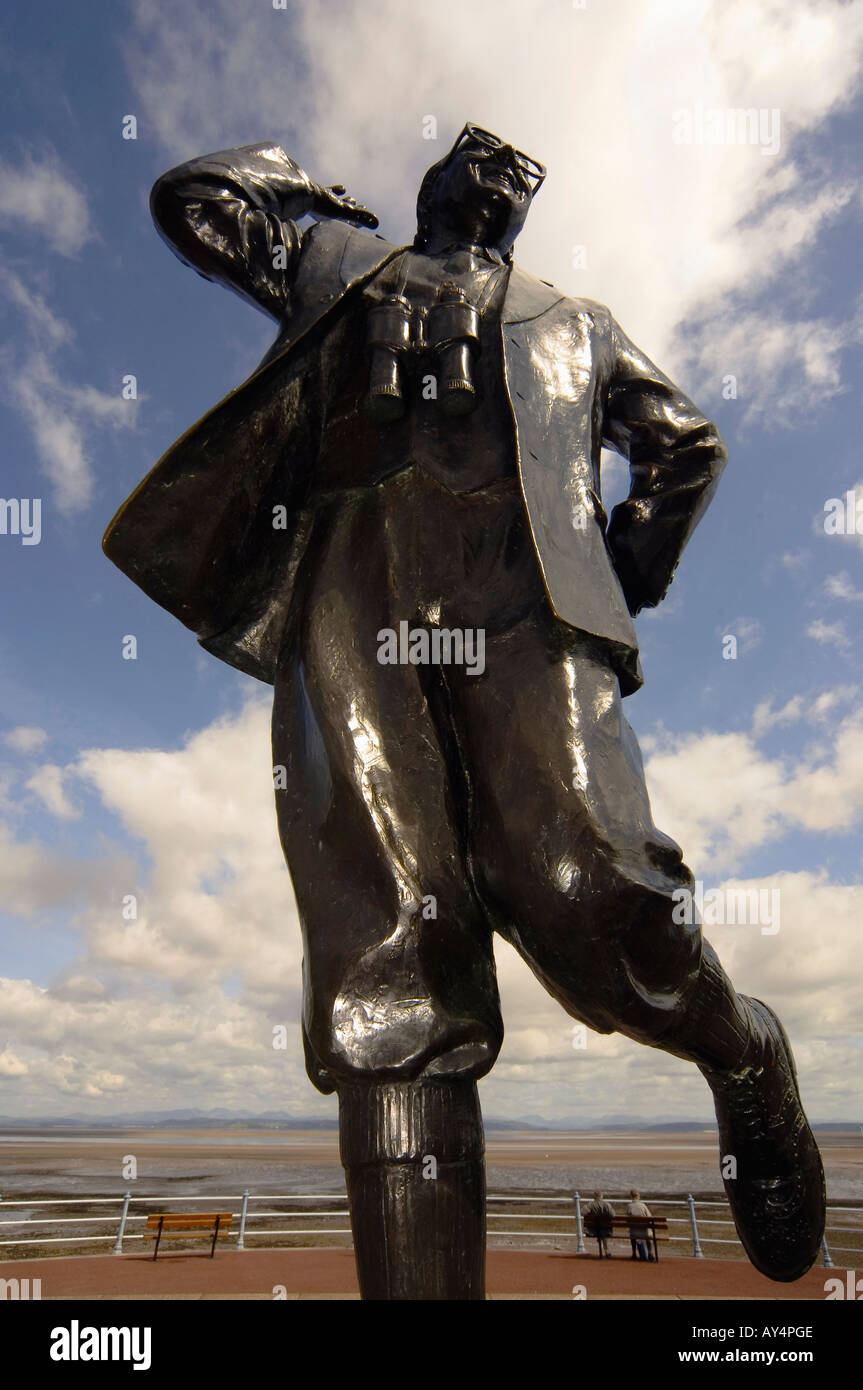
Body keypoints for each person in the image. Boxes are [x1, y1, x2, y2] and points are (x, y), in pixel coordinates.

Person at [104, 121, 826, 1299]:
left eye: (516, 177)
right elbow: (198, 201)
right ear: (430, 184)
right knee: (386, 971)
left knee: (586, 880)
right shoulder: (339, 264)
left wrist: (618, 570)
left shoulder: (573, 324)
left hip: (521, 598)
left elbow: (683, 444)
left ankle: (742, 1051)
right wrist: (304, 189)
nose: (497, 179)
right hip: (355, 588)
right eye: (475, 162)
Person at [584, 1190, 615, 1258]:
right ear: (602, 1196)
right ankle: (606, 1250)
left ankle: (604, 1249)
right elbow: (613, 1215)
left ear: (594, 1197)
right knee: (603, 1229)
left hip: (593, 1230)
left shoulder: (590, 1204)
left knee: (600, 1228)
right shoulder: (607, 1204)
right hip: (606, 1230)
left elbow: (583, 1212)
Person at [627, 1188, 653, 1262]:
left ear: (631, 1196)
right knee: (649, 1235)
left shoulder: (629, 1206)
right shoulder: (643, 1205)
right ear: (638, 1196)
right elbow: (650, 1217)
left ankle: (634, 1253)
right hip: (644, 1232)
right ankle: (650, 1252)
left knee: (633, 1236)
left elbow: (627, 1219)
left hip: (634, 1232)